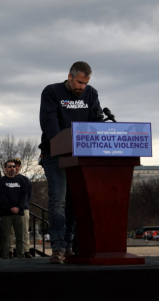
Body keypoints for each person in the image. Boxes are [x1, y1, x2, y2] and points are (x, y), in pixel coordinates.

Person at [39, 61, 102, 264]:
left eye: (85, 83)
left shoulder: (91, 94)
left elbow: (96, 121)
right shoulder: (51, 92)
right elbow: (49, 121)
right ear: (69, 76)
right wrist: (61, 143)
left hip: (82, 156)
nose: (81, 87)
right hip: (55, 154)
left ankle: (68, 247)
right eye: (79, 82)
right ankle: (57, 248)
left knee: (74, 203)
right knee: (58, 200)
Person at [0, 160, 27, 259]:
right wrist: (10, 208)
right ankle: (5, 256)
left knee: (20, 237)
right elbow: (0, 196)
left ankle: (20, 256)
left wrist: (18, 207)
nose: (12, 168)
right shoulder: (0, 181)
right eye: (9, 166)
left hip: (19, 213)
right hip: (6, 213)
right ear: (5, 168)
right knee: (5, 237)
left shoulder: (21, 181)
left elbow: (24, 196)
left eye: (13, 166)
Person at [14, 158, 33, 258]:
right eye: (14, 165)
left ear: (20, 167)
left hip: (23, 208)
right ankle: (10, 250)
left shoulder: (25, 180)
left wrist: (20, 205)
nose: (16, 168)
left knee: (25, 230)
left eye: (17, 166)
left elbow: (29, 194)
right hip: (10, 209)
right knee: (11, 231)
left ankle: (26, 250)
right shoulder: (6, 179)